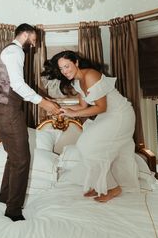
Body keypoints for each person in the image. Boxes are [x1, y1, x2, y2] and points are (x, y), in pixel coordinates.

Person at [42, 50, 140, 202]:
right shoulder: (77, 81)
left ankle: (114, 188)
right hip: (107, 115)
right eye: (61, 69)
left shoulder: (91, 75)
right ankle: (100, 184)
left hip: (120, 115)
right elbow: (82, 106)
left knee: (87, 145)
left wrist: (72, 114)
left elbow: (101, 107)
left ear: (76, 62)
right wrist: (60, 108)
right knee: (89, 147)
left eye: (67, 66)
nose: (64, 71)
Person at [0, 23, 60, 221]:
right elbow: (18, 85)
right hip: (8, 108)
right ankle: (13, 211)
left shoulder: (8, 51)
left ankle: (5, 197)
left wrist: (45, 99)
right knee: (22, 160)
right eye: (35, 40)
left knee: (13, 157)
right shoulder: (15, 51)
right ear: (26, 34)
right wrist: (44, 103)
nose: (35, 45)